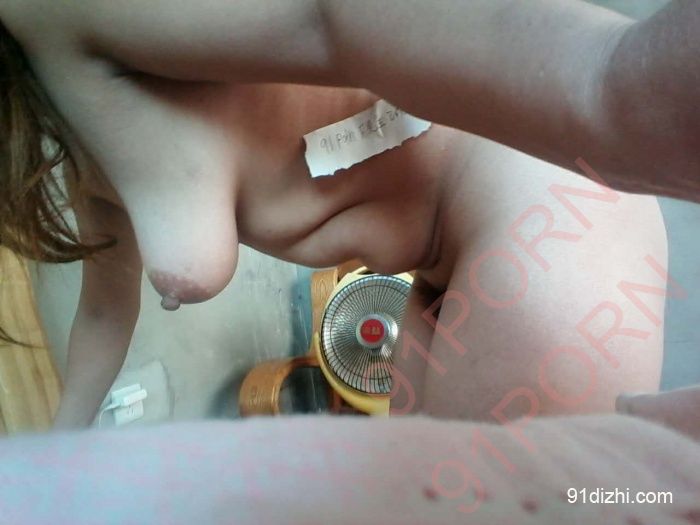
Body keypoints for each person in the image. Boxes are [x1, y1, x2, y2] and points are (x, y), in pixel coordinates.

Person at [0, 1, 697, 522]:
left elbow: (333, 17)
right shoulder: (70, 127)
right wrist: (64, 437)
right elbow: (103, 307)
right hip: (440, 270)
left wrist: (611, 84)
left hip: (547, 215)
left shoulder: (55, 12)